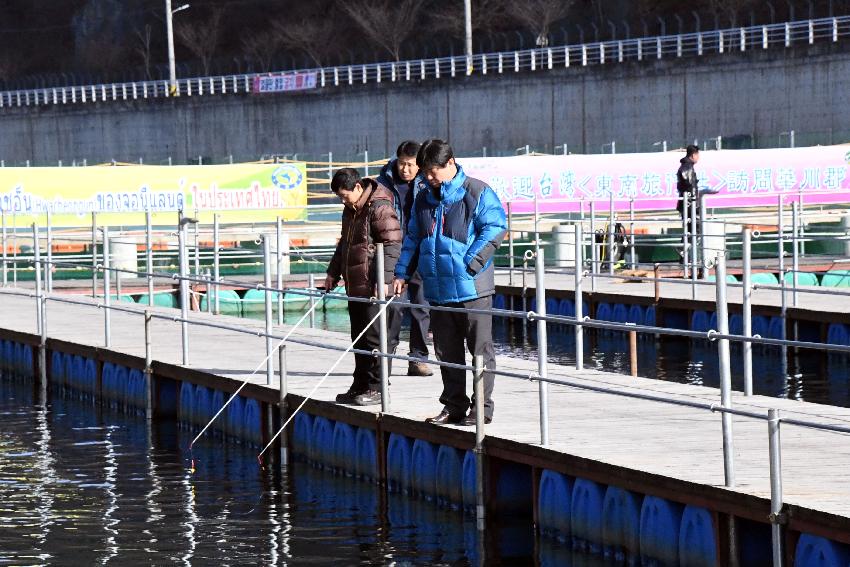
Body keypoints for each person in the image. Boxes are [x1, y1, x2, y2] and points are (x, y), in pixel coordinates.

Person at [392, 139, 507, 426]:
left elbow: (495, 228)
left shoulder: (477, 192)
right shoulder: (423, 199)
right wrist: (402, 272)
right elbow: (413, 239)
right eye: (425, 172)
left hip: (472, 288)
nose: (428, 177)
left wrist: (471, 263)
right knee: (447, 351)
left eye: (433, 171)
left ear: (451, 164)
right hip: (439, 289)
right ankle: (453, 405)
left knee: (479, 350)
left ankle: (482, 408)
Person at [325, 168, 402, 406]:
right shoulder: (351, 209)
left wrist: (384, 280)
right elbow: (345, 245)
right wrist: (332, 273)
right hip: (355, 285)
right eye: (339, 196)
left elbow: (392, 244)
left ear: (358, 187)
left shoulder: (379, 208)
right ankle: (360, 384)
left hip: (373, 287)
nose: (342, 200)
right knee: (359, 339)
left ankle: (377, 387)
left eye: (344, 195)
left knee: (375, 340)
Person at [376, 140, 433, 377]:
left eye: (410, 165)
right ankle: (386, 359)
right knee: (393, 307)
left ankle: (418, 358)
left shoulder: (428, 183)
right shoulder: (383, 184)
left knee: (421, 306)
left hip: (420, 250)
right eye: (402, 163)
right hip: (393, 250)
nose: (405, 169)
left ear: (419, 165)